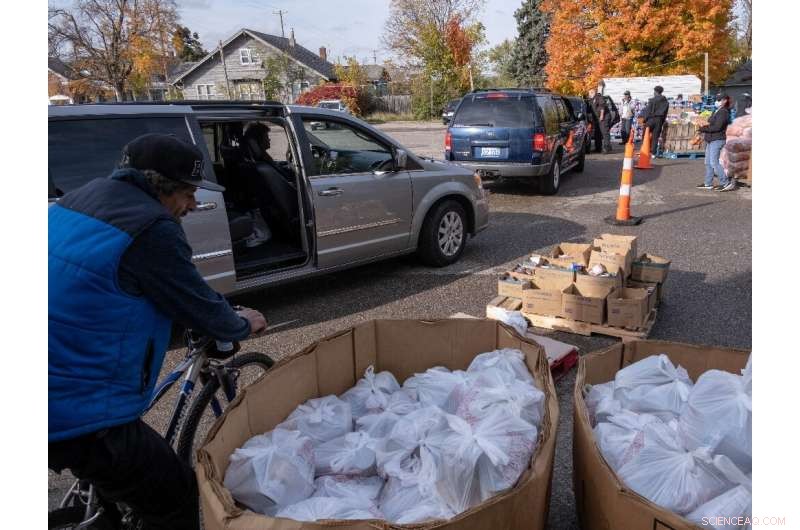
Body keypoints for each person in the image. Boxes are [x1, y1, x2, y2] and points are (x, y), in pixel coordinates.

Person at [49, 133, 268, 529]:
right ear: (159, 188)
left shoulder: (79, 198)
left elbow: (120, 281)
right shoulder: (151, 228)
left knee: (125, 483)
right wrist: (239, 323)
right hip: (71, 402)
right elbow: (195, 301)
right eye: (187, 193)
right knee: (175, 497)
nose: (193, 204)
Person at [696, 93, 735, 192]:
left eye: (719, 99)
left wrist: (704, 129)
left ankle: (726, 183)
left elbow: (717, 127)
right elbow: (710, 122)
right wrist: (703, 124)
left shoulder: (723, 112)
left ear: (725, 100)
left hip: (717, 139)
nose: (716, 101)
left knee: (714, 162)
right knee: (708, 162)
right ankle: (708, 183)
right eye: (716, 99)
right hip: (711, 139)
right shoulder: (717, 111)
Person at [642, 85, 670, 155]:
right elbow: (665, 113)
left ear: (656, 92)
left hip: (651, 119)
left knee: (645, 135)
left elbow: (648, 111)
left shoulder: (652, 100)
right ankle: (653, 152)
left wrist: (644, 120)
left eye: (654, 91)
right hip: (659, 120)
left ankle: (645, 150)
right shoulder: (666, 102)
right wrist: (662, 121)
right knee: (655, 137)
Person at [589, 85, 612, 153]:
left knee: (604, 132)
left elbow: (602, 107)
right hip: (597, 118)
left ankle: (607, 148)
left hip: (604, 117)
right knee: (597, 133)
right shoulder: (591, 100)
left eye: (589, 93)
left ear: (593, 92)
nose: (589, 94)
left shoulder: (599, 97)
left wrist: (601, 116)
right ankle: (598, 148)